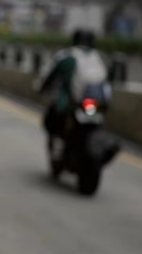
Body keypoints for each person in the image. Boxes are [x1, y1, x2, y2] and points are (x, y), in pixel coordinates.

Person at [38, 29, 108, 158]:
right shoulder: (100, 58)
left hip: (73, 103)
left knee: (53, 118)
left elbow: (49, 77)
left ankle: (58, 147)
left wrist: (41, 89)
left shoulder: (66, 56)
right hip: (96, 104)